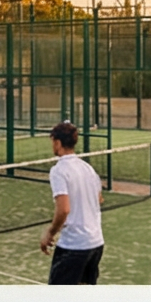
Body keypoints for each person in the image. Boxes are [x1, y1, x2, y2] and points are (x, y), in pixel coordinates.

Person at [38, 121, 104, 284]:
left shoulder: (58, 171)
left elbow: (64, 209)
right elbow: (99, 199)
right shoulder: (87, 168)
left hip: (74, 247)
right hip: (96, 244)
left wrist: (50, 233)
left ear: (57, 142)